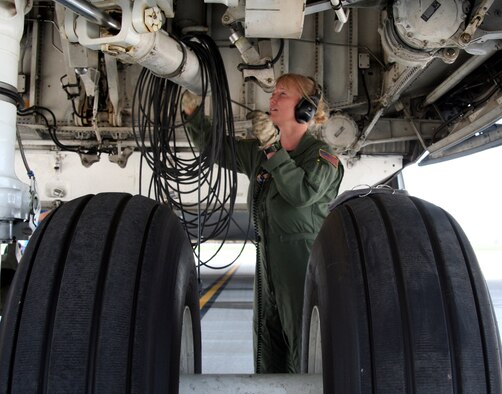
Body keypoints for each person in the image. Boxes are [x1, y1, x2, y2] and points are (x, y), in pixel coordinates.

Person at [182, 73, 344, 373]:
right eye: (274, 92)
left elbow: (300, 193)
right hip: (267, 268)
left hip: (302, 270)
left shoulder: (322, 158)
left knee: (306, 354)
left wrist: (272, 145)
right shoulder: (262, 155)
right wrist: (192, 115)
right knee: (268, 354)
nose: (273, 98)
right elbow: (219, 149)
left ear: (305, 109)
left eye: (283, 94)